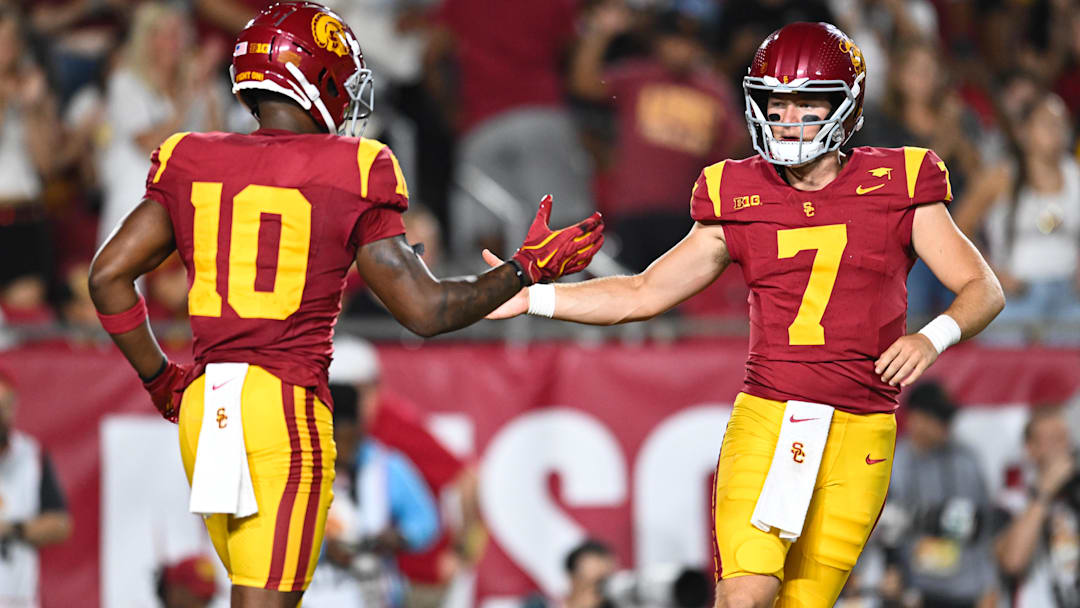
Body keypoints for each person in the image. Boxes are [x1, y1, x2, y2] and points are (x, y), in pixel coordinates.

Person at [86, 3, 604, 608]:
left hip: (208, 407)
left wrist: (162, 382)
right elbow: (427, 309)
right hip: (282, 407)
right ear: (317, 79)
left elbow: (108, 278)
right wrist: (526, 270)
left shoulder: (191, 157)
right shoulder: (355, 166)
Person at [484, 21, 1005, 608]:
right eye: (775, 103)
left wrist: (932, 338)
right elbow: (644, 292)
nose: (786, 119)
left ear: (844, 105)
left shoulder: (900, 180)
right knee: (745, 598)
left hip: (863, 428)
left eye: (805, 104)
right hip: (773, 416)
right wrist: (535, 295)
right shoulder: (736, 190)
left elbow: (981, 287)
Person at [303, 382, 440, 608]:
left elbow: (425, 520)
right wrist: (324, 549)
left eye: (353, 439)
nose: (346, 449)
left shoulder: (384, 466)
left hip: (374, 596)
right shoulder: (302, 470)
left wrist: (399, 537)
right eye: (339, 440)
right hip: (314, 596)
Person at [881, 381, 997, 608]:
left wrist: (989, 583)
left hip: (965, 590)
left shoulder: (967, 461)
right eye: (939, 418)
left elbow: (985, 527)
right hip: (913, 591)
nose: (947, 425)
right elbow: (884, 530)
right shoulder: (893, 464)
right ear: (915, 419)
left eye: (947, 418)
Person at [0, 369, 74, 608]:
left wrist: (13, 528)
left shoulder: (32, 455)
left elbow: (60, 524)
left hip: (17, 598)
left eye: (5, 405)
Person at [995, 406, 1080, 607]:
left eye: (1064, 438)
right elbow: (1013, 562)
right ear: (1030, 449)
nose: (1061, 448)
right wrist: (1045, 490)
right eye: (1052, 440)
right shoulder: (1010, 501)